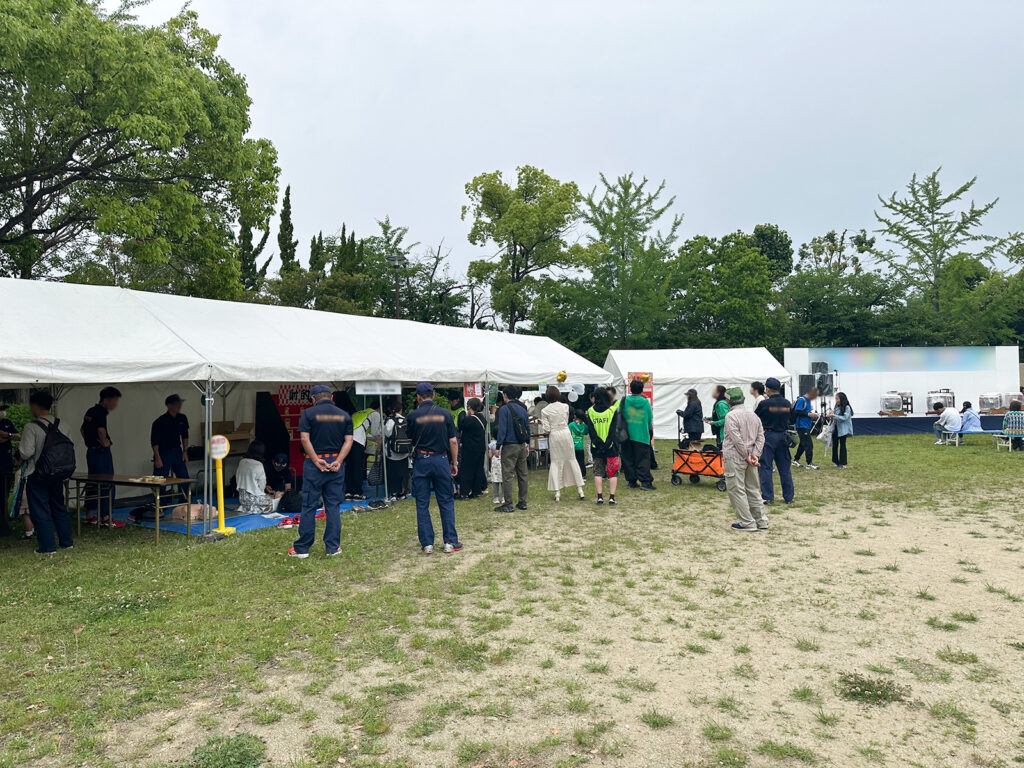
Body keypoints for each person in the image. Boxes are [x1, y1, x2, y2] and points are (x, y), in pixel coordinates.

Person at [289, 385, 353, 558]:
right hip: (335, 463)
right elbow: (349, 440)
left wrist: (316, 460)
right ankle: (333, 547)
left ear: (313, 399)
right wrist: (339, 460)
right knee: (332, 505)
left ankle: (302, 549)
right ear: (331, 397)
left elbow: (304, 439)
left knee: (309, 506)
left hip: (313, 464)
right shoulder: (344, 415)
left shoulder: (308, 414)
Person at [407, 382, 463, 554]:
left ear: (418, 397)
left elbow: (410, 439)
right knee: (446, 501)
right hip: (441, 459)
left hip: (422, 460)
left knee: (422, 503)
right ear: (434, 395)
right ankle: (450, 542)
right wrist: (454, 463)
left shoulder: (412, 416)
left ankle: (427, 544)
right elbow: (453, 441)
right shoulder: (445, 414)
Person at [18, 391, 74, 554]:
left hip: (37, 474)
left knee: (40, 509)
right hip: (58, 473)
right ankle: (66, 542)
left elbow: (26, 453)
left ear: (35, 406)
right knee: (59, 507)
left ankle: (47, 547)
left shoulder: (31, 427)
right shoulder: (63, 425)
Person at [722, 387, 767, 532]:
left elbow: (737, 440)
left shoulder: (730, 416)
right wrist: (755, 455)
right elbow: (761, 437)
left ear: (728, 401)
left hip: (735, 458)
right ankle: (761, 521)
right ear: (744, 399)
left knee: (737, 490)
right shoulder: (753, 415)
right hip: (751, 457)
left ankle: (747, 522)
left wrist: (747, 456)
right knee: (753, 489)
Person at [81, 386, 125, 527]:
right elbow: (101, 430)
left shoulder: (90, 411)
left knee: (92, 482)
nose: (115, 404)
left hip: (91, 451)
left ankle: (89, 515)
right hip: (101, 452)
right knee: (107, 482)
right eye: (114, 401)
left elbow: (82, 429)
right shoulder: (100, 412)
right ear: (106, 400)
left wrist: (89, 441)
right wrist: (104, 442)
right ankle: (106, 518)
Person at [540, 385, 586, 502]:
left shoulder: (545, 411)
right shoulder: (565, 407)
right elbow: (565, 420)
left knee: (556, 462)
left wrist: (543, 424)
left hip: (555, 435)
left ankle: (557, 492)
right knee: (571, 459)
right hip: (566, 433)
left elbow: (547, 429)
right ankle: (580, 489)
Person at [754, 377, 794, 505]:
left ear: (768, 389)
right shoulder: (787, 403)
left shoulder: (764, 404)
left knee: (765, 466)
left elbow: (755, 418)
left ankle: (768, 496)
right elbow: (792, 418)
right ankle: (789, 497)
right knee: (784, 467)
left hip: (768, 435)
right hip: (783, 436)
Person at [495, 386, 530, 513]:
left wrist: (498, 446)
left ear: (505, 395)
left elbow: (502, 429)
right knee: (523, 474)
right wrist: (527, 443)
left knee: (508, 475)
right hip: (521, 444)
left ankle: (508, 503)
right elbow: (527, 427)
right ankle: (522, 501)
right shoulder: (523, 408)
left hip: (509, 445)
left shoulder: (504, 409)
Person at [151, 393, 190, 506]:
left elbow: (185, 436)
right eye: (176, 404)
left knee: (184, 478)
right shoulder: (160, 421)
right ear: (169, 405)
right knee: (159, 480)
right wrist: (157, 457)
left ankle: (184, 503)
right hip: (163, 452)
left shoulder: (182, 418)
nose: (179, 406)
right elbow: (154, 441)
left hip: (177, 451)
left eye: (179, 404)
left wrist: (185, 451)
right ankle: (160, 505)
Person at [586, 387, 620, 505]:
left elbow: (591, 430)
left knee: (598, 472)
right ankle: (612, 498)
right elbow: (613, 430)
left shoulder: (590, 411)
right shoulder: (612, 410)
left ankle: (600, 497)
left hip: (596, 447)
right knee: (613, 472)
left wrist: (598, 443)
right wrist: (607, 443)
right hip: (611, 446)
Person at [621, 379, 655, 491]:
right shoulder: (645, 402)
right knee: (643, 459)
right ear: (642, 389)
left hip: (626, 435)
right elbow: (649, 418)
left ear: (630, 388)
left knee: (628, 459)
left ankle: (632, 481)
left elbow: (619, 413)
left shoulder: (624, 400)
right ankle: (645, 482)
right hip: (641, 435)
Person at [333, 391, 367, 501]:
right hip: (356, 441)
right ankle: (357, 491)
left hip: (341, 443)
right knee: (357, 467)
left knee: (347, 467)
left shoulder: (336, 412)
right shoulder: (353, 412)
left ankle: (348, 491)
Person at [457, 398, 488, 500]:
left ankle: (465, 492)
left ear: (469, 407)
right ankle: (476, 491)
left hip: (469, 448)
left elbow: (460, 426)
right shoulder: (482, 418)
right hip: (480, 447)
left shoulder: (469, 419)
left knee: (466, 470)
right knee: (478, 469)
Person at [236, 441, 277, 514]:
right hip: (255, 499)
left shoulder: (241, 461)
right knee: (276, 497)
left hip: (242, 499)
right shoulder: (258, 464)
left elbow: (239, 478)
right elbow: (262, 485)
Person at [383, 398, 412, 499]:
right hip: (405, 451)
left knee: (392, 473)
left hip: (392, 452)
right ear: (400, 410)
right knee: (403, 472)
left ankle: (394, 493)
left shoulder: (389, 421)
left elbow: (386, 434)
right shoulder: (406, 420)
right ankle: (403, 492)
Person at [791, 387, 820, 469]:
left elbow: (806, 411)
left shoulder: (808, 401)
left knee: (803, 444)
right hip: (801, 426)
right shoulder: (801, 400)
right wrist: (809, 414)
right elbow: (797, 411)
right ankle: (809, 463)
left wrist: (812, 414)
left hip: (806, 425)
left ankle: (796, 460)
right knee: (809, 444)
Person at [0, 404, 17, 537]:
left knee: (4, 493)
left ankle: (4, 517)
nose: (2, 412)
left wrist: (7, 435)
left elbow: (19, 436)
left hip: (6, 462)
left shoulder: (7, 422)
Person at [831, 392, 854, 468]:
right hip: (835, 428)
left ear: (842, 399)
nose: (836, 400)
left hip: (843, 430)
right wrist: (831, 415)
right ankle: (836, 461)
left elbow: (844, 418)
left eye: (837, 399)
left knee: (842, 445)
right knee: (835, 445)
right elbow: (835, 417)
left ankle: (843, 463)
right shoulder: (836, 407)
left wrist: (834, 416)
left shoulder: (847, 407)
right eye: (835, 399)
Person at [569, 409, 588, 481]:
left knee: (573, 462)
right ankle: (583, 475)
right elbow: (586, 432)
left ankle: (574, 475)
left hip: (572, 446)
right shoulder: (584, 426)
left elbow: (568, 433)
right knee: (581, 462)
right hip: (580, 447)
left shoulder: (571, 425)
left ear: (575, 416)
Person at [489, 440, 503, 505]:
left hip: (495, 464)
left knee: (495, 481)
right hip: (503, 461)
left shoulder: (492, 444)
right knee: (503, 480)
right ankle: (503, 497)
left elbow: (490, 455)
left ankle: (496, 497)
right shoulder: (505, 442)